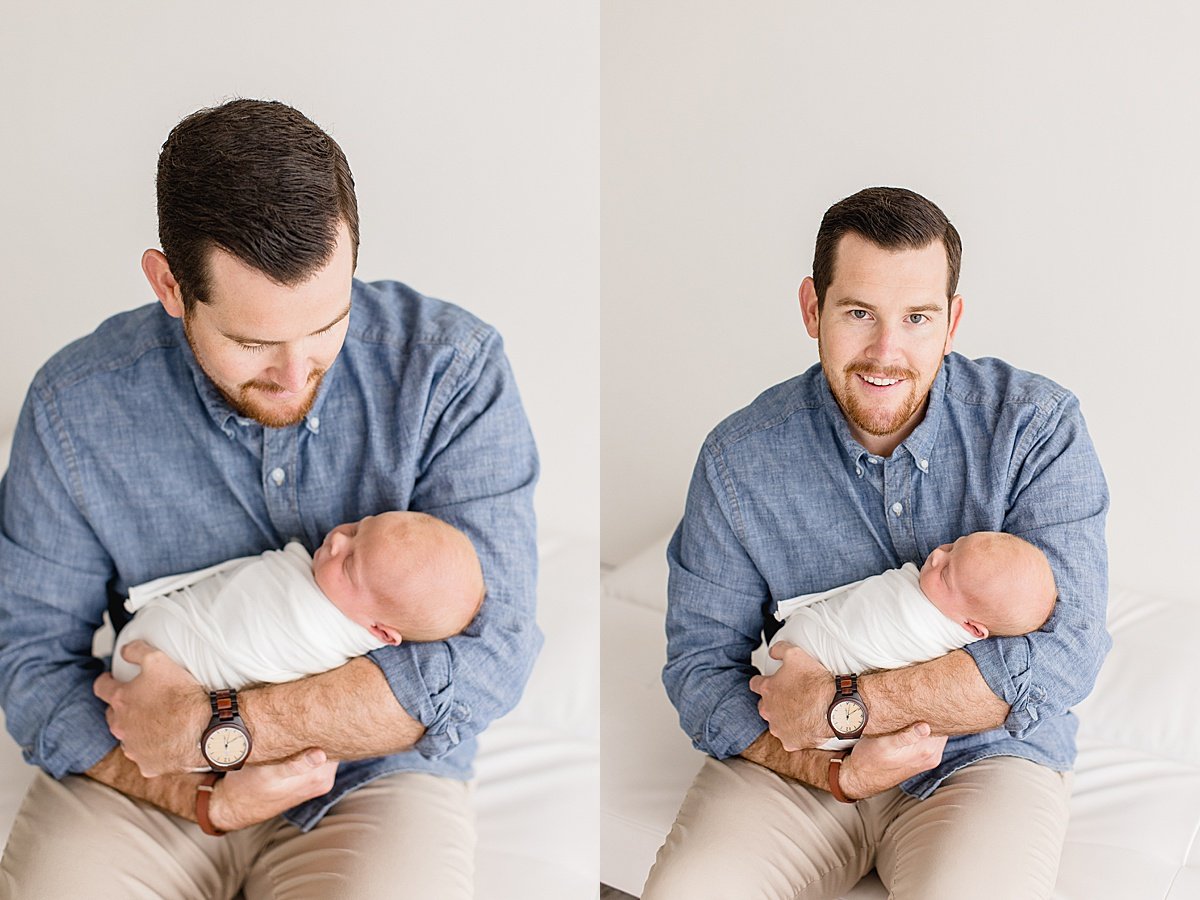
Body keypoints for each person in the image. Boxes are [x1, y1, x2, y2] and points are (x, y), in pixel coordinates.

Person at [0, 99, 539, 898]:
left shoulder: (450, 372)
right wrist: (199, 790)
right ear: (170, 285)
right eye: (253, 342)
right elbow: (31, 665)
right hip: (143, 774)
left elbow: (492, 656)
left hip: (374, 775)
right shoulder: (74, 407)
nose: (296, 377)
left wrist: (228, 731)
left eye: (328, 326)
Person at [645, 187, 1108, 899]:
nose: (885, 353)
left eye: (916, 318)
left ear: (952, 321)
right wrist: (835, 766)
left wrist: (845, 706)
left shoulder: (1034, 430)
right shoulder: (739, 461)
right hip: (795, 766)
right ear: (812, 309)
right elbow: (702, 671)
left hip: (980, 760)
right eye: (858, 312)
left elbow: (1066, 656)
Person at [112, 511, 486, 691]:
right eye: (359, 528)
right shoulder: (346, 595)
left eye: (350, 563)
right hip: (143, 658)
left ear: (379, 631)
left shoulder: (316, 632)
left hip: (163, 668)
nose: (338, 540)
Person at [761, 531, 1056, 750]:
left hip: (815, 692)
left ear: (972, 628)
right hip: (791, 684)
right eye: (954, 546)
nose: (938, 556)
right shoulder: (953, 600)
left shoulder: (928, 624)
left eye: (945, 574)